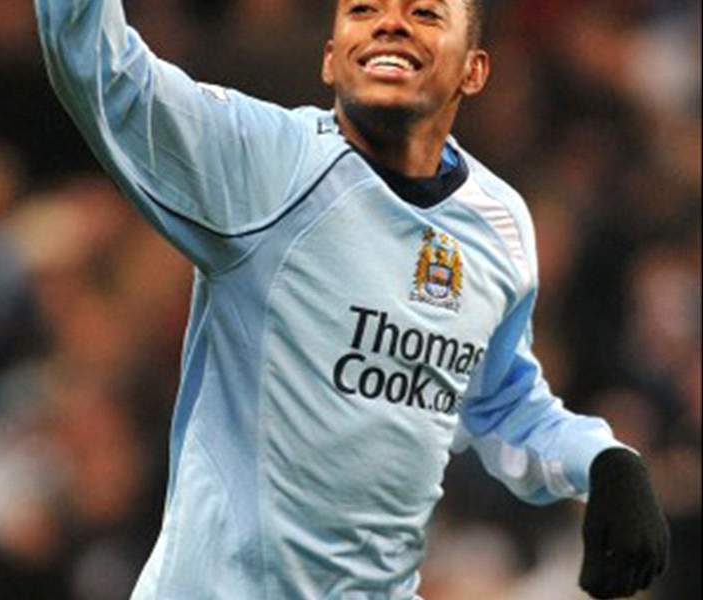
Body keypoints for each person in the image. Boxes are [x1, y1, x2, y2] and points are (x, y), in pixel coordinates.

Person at [35, 1, 670, 598]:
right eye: (362, 9)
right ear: (331, 58)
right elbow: (105, 73)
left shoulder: (498, 225)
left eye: (424, 12)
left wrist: (604, 461)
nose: (389, 23)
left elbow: (499, 402)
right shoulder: (268, 164)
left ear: (474, 71)